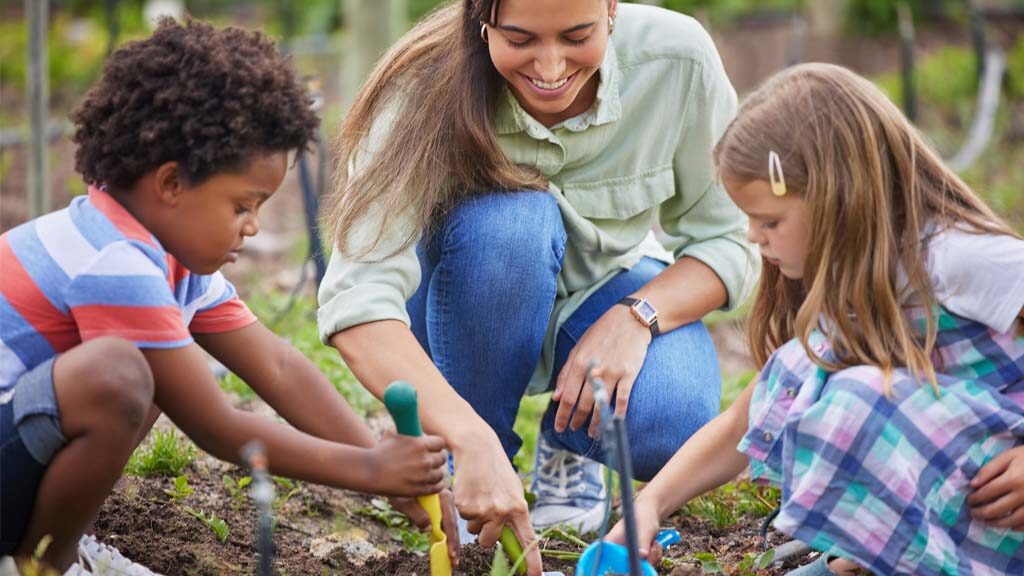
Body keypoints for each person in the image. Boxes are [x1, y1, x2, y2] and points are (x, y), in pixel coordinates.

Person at [317, 0, 759, 572]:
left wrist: (636, 316)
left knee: (672, 423)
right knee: (514, 225)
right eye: (520, 40)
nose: (550, 69)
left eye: (577, 36)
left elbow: (729, 237)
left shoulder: (677, 58)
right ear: (482, 22)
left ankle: (565, 442)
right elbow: (358, 301)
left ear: (611, 10)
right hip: (462, 297)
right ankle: (475, 452)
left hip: (609, 286)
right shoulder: (421, 85)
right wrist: (468, 438)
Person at [0, 19, 454, 574]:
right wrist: (370, 471)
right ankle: (42, 563)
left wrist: (389, 471)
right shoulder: (111, 262)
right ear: (171, 185)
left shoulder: (165, 258)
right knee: (119, 373)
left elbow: (280, 368)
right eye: (243, 206)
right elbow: (216, 427)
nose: (254, 227)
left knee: (159, 368)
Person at [608, 63, 1024, 575]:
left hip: (1007, 506)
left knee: (858, 397)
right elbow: (743, 418)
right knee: (797, 368)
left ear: (839, 196)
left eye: (771, 222)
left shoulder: (957, 256)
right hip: (973, 505)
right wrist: (648, 505)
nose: (755, 239)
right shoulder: (851, 284)